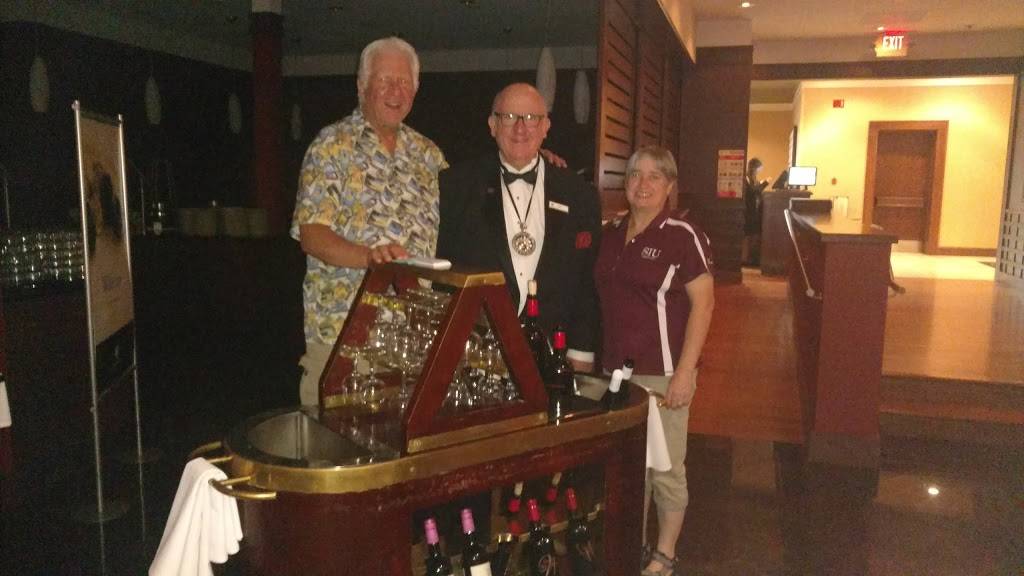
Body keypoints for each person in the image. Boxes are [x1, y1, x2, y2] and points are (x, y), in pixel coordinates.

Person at [290, 37, 447, 407]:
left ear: (416, 89)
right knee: (334, 443)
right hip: (344, 343)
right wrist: (371, 258)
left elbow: (474, 200)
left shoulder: (428, 155)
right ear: (362, 85)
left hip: (412, 345)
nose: (396, 91)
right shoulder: (331, 146)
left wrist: (539, 165)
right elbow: (312, 235)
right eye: (385, 80)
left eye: (404, 82)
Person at [593, 146, 714, 576]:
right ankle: (633, 543)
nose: (642, 184)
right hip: (614, 374)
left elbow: (704, 305)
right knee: (629, 469)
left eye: (654, 177)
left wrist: (686, 372)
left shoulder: (683, 234)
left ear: (669, 186)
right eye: (634, 175)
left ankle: (665, 553)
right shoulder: (611, 233)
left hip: (662, 373)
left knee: (665, 469)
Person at [437, 83, 602, 371]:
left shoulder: (580, 194)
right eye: (509, 117)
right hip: (476, 354)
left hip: (553, 355)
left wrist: (582, 352)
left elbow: (585, 281)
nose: (520, 128)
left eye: (531, 118)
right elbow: (443, 274)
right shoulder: (456, 187)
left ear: (546, 126)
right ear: (492, 125)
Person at [743, 157, 768, 266]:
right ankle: (746, 259)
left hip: (754, 211)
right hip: (748, 211)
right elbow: (751, 192)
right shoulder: (746, 178)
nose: (759, 171)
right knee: (748, 236)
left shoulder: (754, 179)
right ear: (754, 168)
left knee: (754, 235)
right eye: (759, 169)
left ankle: (751, 258)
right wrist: (764, 184)